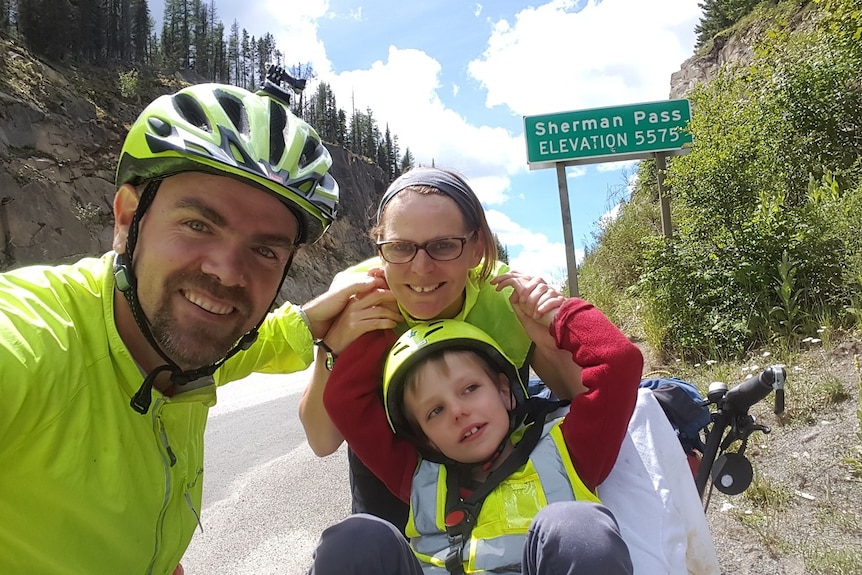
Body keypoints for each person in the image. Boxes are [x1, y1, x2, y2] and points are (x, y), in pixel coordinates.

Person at [0, 83, 374, 575]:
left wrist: (311, 322)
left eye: (265, 250)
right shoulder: (29, 339)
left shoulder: (187, 345)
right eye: (198, 224)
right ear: (127, 218)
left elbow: (260, 344)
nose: (227, 272)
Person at [298, 166, 578, 531]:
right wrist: (332, 346)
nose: (421, 267)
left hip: (509, 486)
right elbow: (322, 441)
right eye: (400, 247)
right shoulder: (358, 296)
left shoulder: (506, 296)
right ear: (380, 248)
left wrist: (550, 329)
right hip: (392, 495)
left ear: (476, 248)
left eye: (443, 245)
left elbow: (577, 397)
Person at [311, 285, 644, 574]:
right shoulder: (416, 476)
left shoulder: (568, 450)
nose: (458, 411)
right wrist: (387, 314)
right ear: (426, 438)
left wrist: (559, 316)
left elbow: (619, 364)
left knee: (578, 527)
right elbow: (345, 402)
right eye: (435, 411)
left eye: (470, 388)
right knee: (356, 538)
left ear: (503, 391)